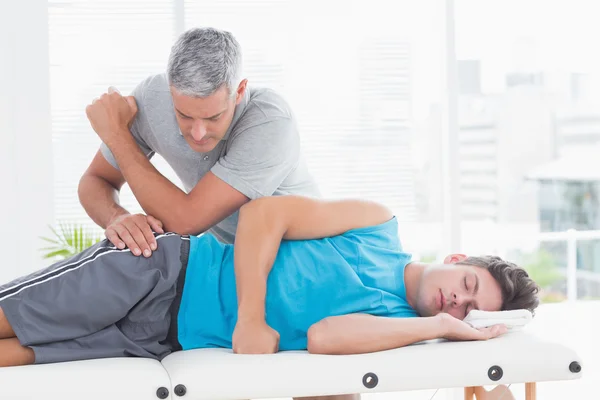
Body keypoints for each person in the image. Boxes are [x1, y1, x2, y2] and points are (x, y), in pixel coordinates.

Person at [0, 195, 540, 369]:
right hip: (162, 271)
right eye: (467, 285)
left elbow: (326, 337)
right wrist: (253, 318)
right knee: (12, 318)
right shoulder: (378, 225)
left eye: (471, 310)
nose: (458, 300)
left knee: (19, 356)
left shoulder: (399, 325)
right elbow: (264, 214)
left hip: (161, 340)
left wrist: (442, 327)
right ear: (458, 257)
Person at [79, 26, 320, 260]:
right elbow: (95, 180)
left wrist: (116, 135)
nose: (198, 133)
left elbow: (185, 220)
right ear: (170, 90)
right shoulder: (152, 99)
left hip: (307, 258)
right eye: (184, 115)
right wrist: (115, 217)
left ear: (239, 91)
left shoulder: (270, 121)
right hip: (236, 260)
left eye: (213, 117)